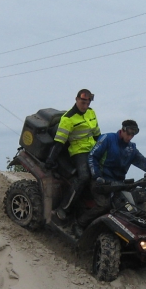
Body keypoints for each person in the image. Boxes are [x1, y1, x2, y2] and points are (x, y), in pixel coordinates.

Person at [47, 88, 101, 219]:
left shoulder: (91, 112)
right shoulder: (68, 118)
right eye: (83, 102)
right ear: (76, 99)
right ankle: (64, 207)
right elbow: (59, 142)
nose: (85, 106)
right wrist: (50, 159)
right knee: (84, 177)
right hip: (79, 151)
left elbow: (97, 134)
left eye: (88, 103)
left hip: (93, 148)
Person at [88, 119, 146, 183]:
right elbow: (92, 157)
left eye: (132, 135)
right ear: (122, 130)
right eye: (128, 134)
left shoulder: (131, 149)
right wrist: (97, 176)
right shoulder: (107, 139)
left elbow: (143, 161)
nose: (130, 137)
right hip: (102, 182)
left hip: (119, 184)